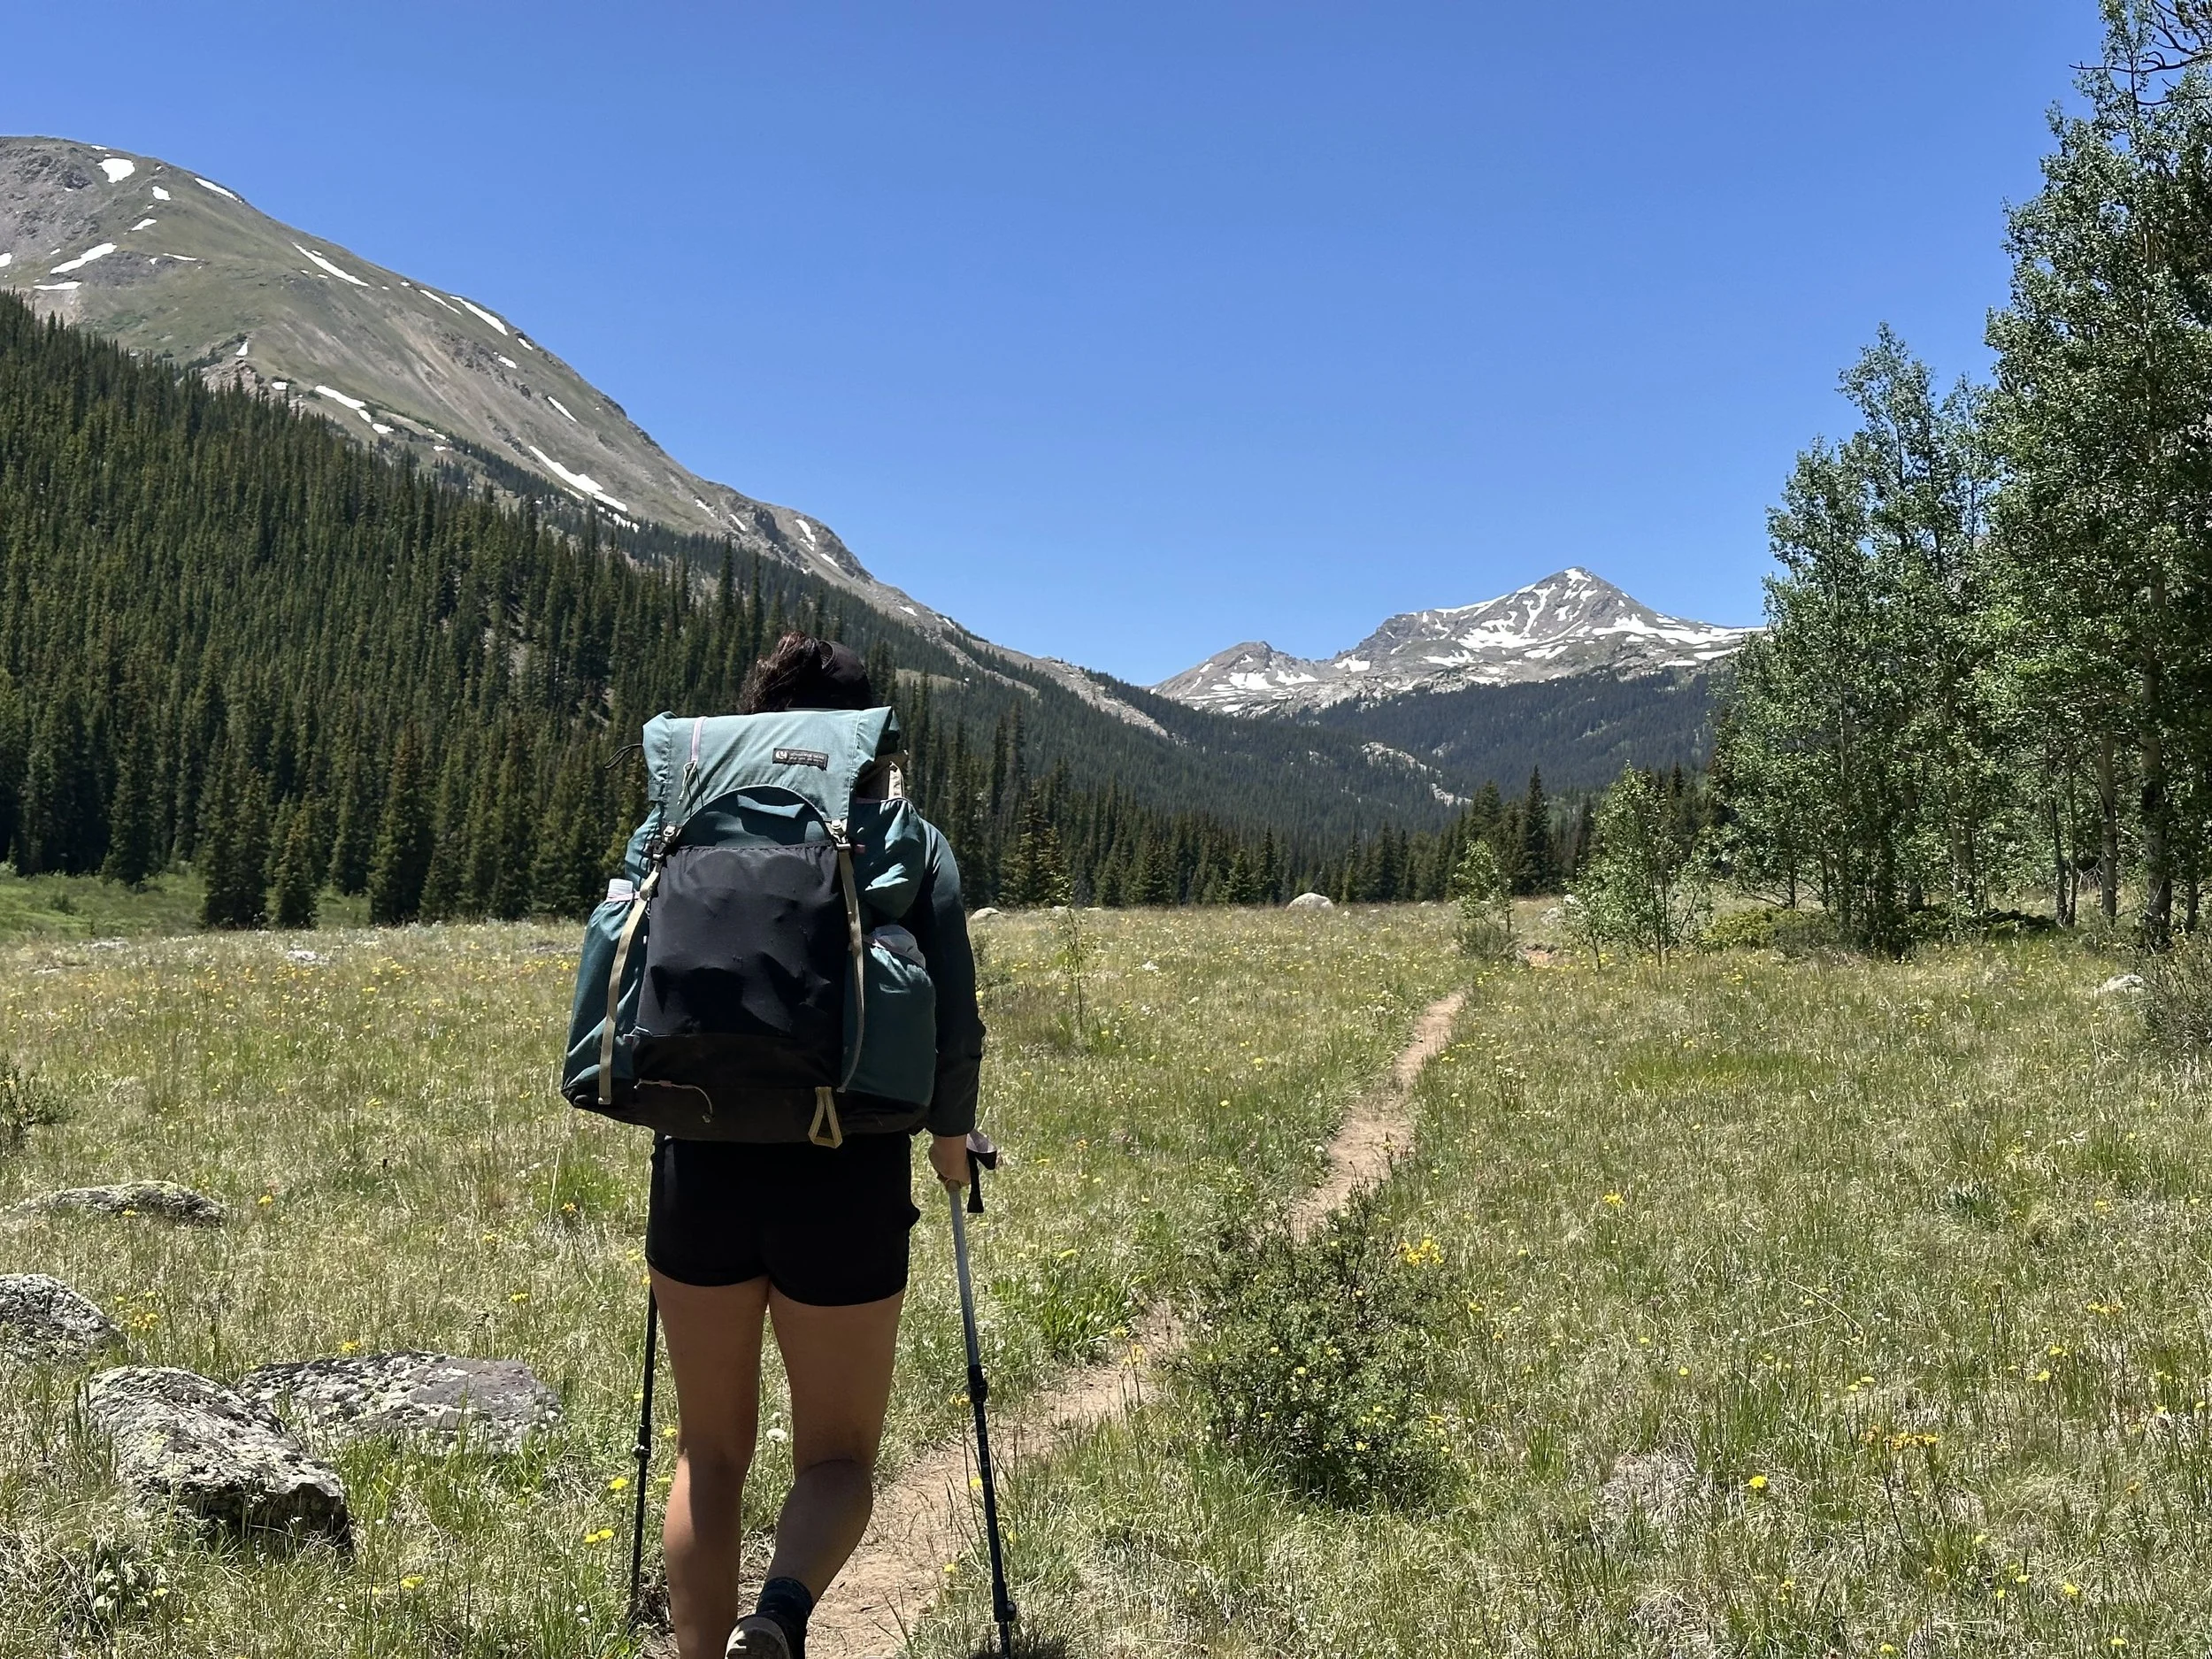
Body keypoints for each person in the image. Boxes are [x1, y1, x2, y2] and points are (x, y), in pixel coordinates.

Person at [648, 634, 987, 1659]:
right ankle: (780, 1619)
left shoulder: (682, 820)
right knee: (835, 1459)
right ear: (862, 728)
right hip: (844, 1174)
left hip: (698, 1158)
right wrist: (952, 1141)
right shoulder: (901, 833)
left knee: (708, 1454)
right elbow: (954, 1023)